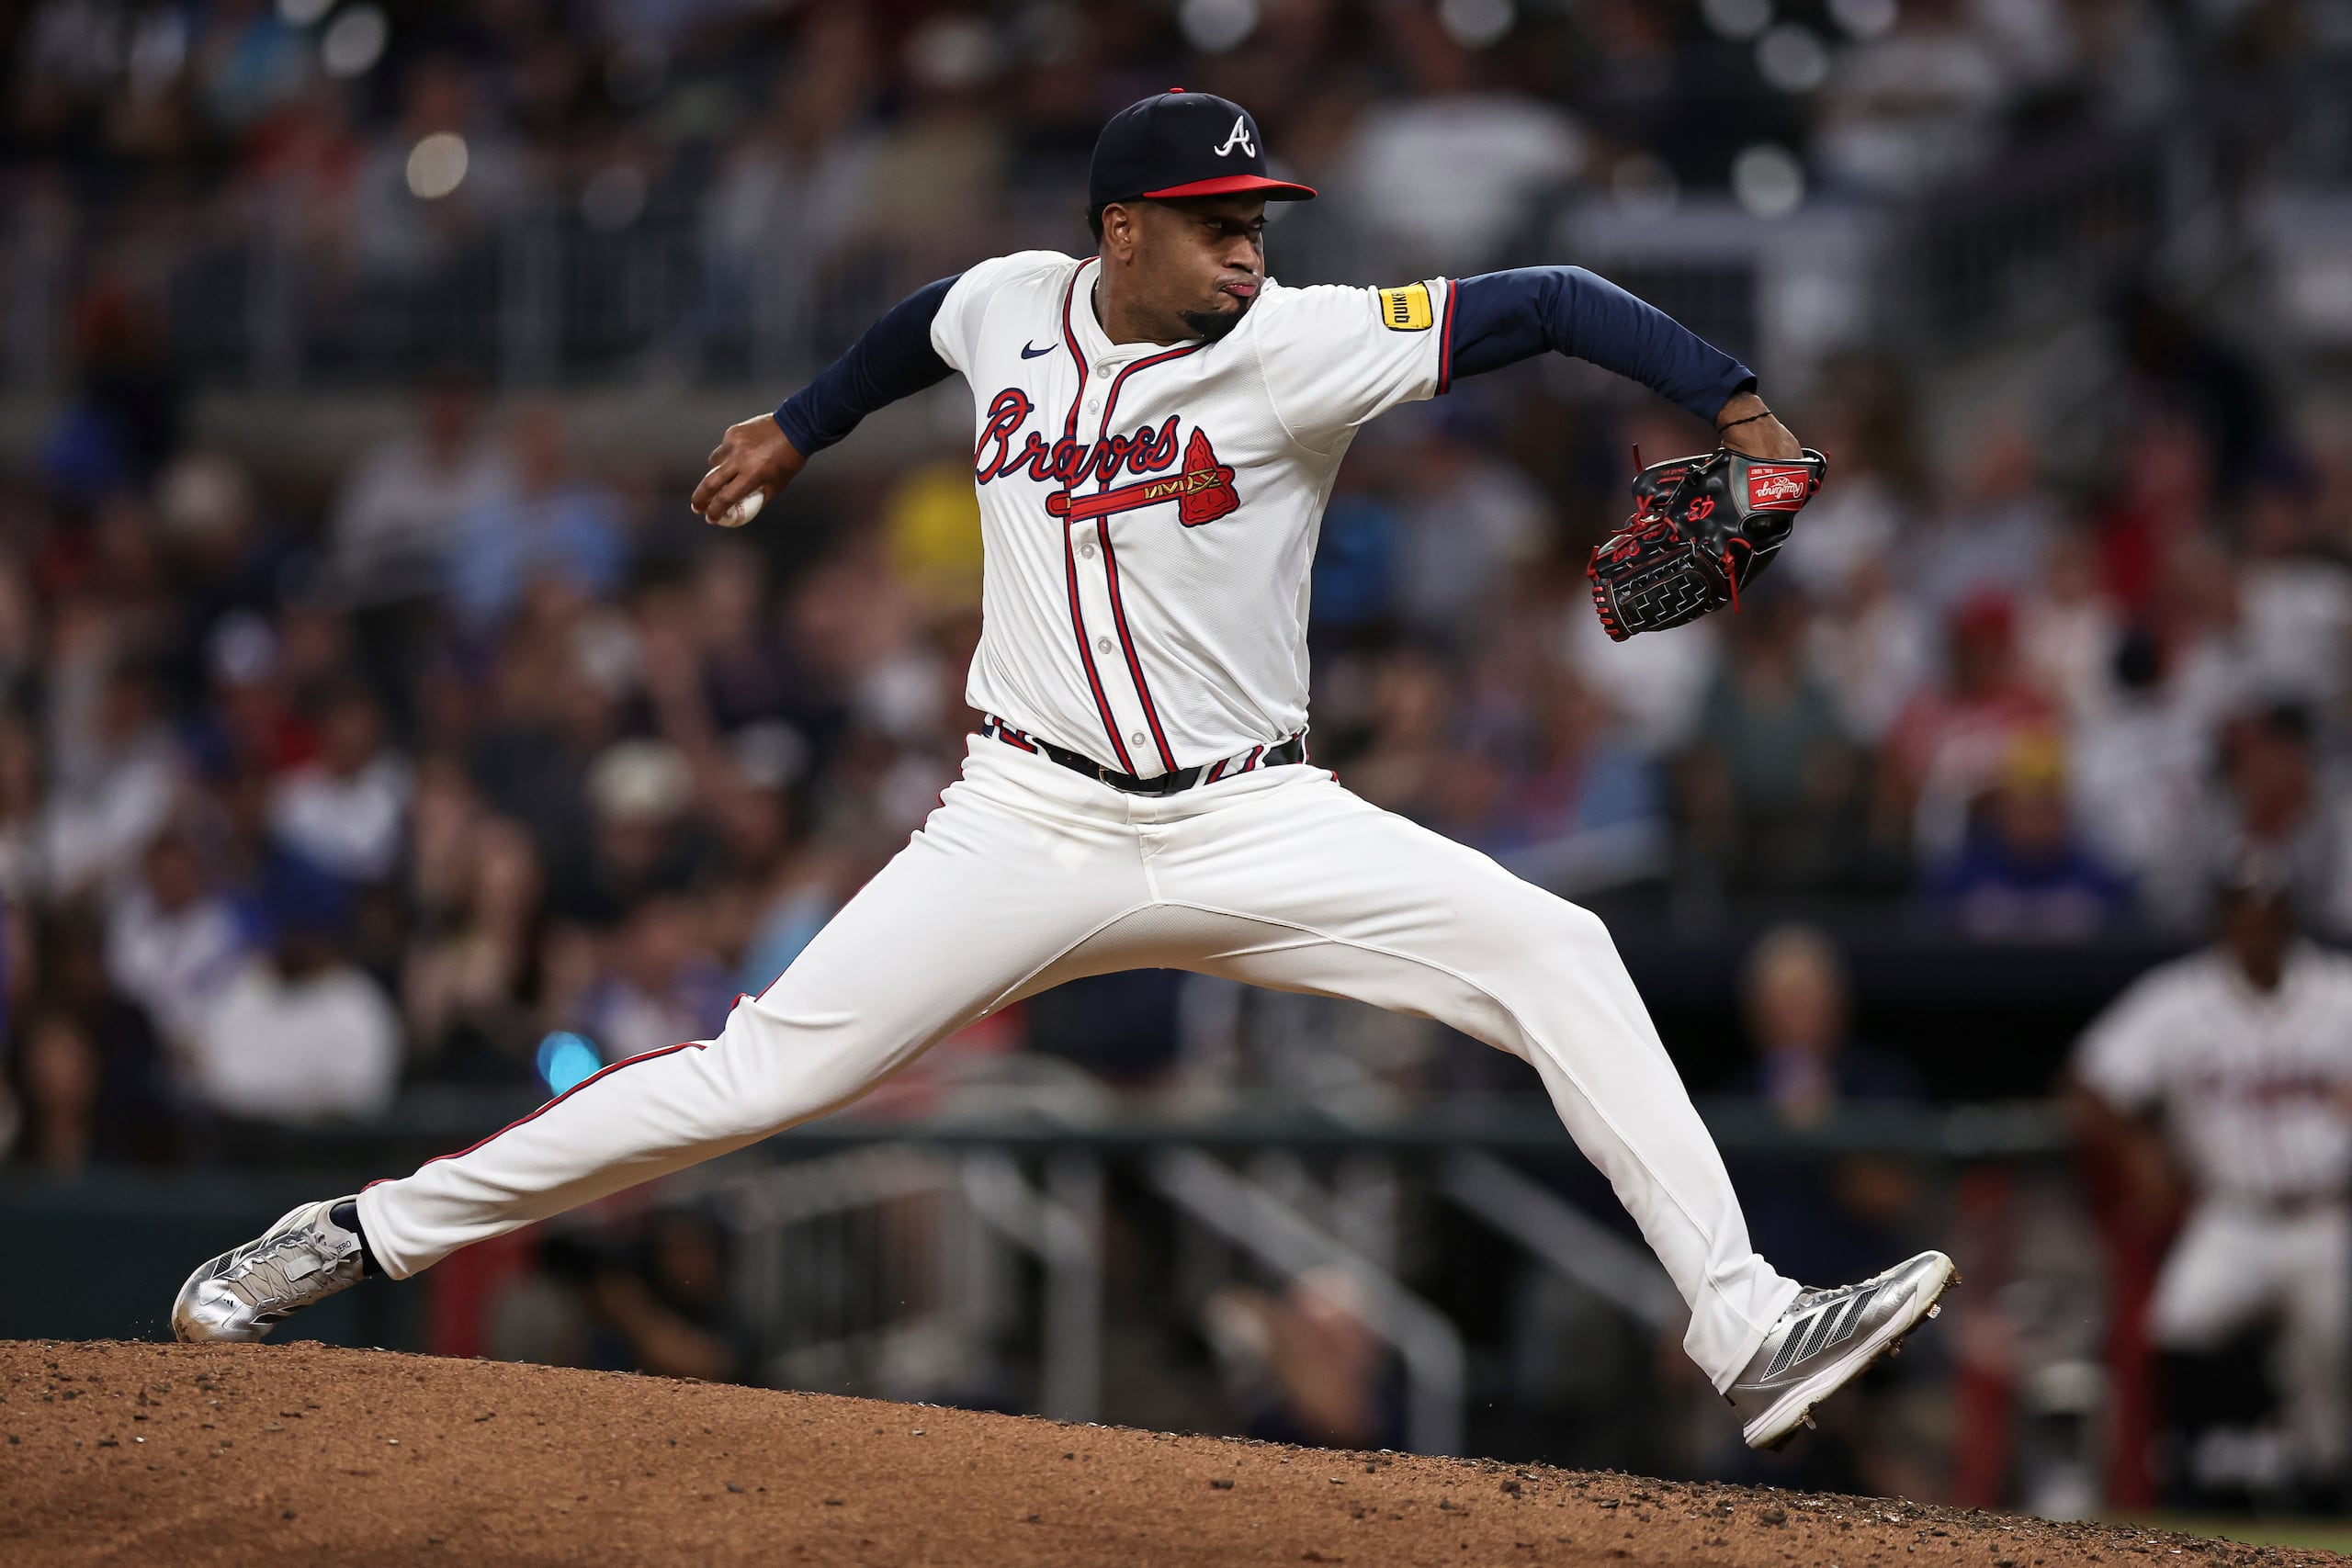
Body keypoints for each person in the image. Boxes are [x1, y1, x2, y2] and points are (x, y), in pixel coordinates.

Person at [172, 91, 1951, 1451]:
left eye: (1259, 219)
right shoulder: (1010, 304)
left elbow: (1552, 295)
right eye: (1213, 223)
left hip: (1256, 813)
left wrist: (1740, 415)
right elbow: (914, 324)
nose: (1249, 249)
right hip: (1021, 817)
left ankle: (1744, 1325)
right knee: (744, 1082)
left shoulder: (1306, 346)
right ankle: (350, 1233)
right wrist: (798, 425)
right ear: (1120, 231)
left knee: (1555, 948)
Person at [2071, 860, 2352, 1502]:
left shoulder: (2340, 991)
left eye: (2266, 911)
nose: (2254, 925)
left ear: (2289, 917)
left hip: (2327, 1216)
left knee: (2333, 1351)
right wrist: (2142, 1145)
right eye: (2240, 911)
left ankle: (2322, 1488)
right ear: (2222, 919)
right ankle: (2199, 1473)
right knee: (2177, 1323)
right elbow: (2086, 1082)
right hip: (2231, 1213)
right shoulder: (2178, 997)